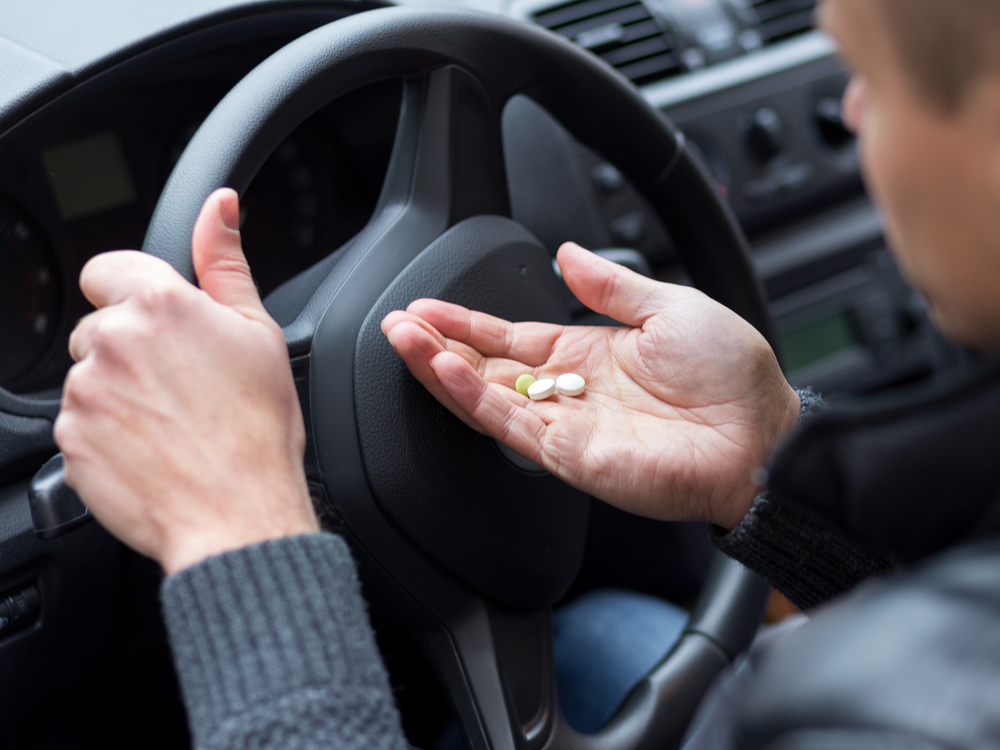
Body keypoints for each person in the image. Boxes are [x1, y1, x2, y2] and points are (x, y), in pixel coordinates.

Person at [51, 0, 1000, 747]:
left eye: (864, 71)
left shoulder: (880, 712)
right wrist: (765, 459)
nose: (846, 113)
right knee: (596, 639)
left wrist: (238, 521)